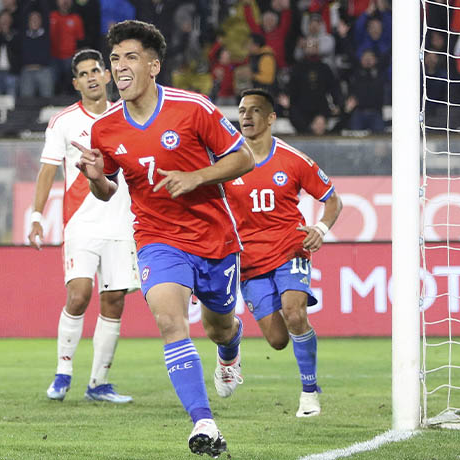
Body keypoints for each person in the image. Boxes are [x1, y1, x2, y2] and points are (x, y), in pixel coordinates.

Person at [72, 20, 254, 457]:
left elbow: (244, 158)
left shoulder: (193, 108)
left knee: (219, 325)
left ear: (154, 65)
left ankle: (230, 351)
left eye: (130, 57)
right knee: (170, 321)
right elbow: (109, 189)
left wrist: (197, 177)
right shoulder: (106, 128)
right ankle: (203, 422)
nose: (119, 67)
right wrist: (97, 179)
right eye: (115, 59)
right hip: (156, 237)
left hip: (213, 236)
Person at [28, 49, 138, 404]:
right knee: (78, 294)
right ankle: (63, 372)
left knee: (114, 300)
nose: (92, 77)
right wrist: (35, 216)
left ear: (107, 75)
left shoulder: (130, 114)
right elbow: (47, 170)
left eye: (96, 70)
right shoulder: (63, 122)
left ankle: (98, 383)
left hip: (122, 223)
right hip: (81, 223)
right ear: (75, 83)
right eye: (84, 73)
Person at [228, 88, 342, 417]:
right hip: (249, 262)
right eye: (241, 110)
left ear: (271, 118)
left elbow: (332, 198)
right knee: (278, 340)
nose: (246, 116)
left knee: (295, 314)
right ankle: (231, 337)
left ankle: (309, 393)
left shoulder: (293, 159)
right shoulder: (227, 162)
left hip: (290, 251)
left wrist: (320, 228)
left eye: (254, 110)